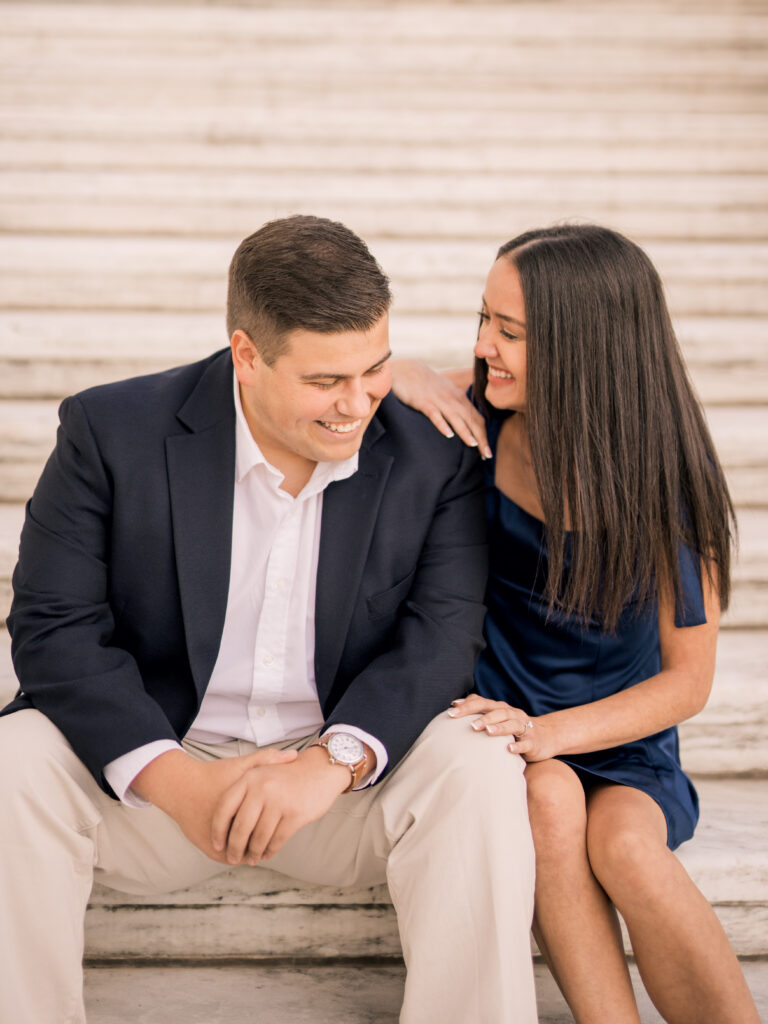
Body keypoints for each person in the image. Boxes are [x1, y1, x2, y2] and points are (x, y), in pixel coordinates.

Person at [0, 215, 538, 1024]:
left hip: (342, 792)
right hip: (158, 784)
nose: (356, 404)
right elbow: (52, 627)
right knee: (13, 761)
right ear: (247, 358)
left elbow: (443, 637)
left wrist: (332, 765)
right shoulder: (112, 432)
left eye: (376, 369)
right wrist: (173, 778)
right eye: (327, 382)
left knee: (481, 764)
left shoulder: (432, 455)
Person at [392, 224, 760, 1024]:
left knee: (626, 846)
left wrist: (555, 732)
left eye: (512, 331)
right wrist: (404, 370)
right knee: (550, 802)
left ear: (584, 345)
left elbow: (687, 681)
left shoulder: (667, 481)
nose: (486, 344)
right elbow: (362, 382)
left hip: (618, 737)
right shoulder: (480, 417)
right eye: (483, 317)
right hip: (504, 727)